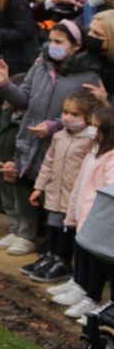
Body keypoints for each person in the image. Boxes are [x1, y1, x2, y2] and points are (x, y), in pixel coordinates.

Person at [0, 20, 101, 256]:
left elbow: (86, 112)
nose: (52, 46)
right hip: (29, 136)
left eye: (59, 42)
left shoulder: (89, 75)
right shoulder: (41, 64)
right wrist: (5, 84)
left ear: (76, 45)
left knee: (51, 193)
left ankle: (43, 241)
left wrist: (55, 125)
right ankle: (22, 232)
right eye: (51, 40)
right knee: (22, 183)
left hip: (63, 143)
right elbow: (23, 99)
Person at [25, 89, 101, 285]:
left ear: (88, 117)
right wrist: (39, 187)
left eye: (75, 114)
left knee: (67, 229)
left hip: (73, 196)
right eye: (65, 112)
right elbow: (48, 163)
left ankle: (64, 262)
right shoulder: (59, 136)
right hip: (54, 192)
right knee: (53, 225)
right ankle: (52, 256)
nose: (67, 117)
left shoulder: (91, 139)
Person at [54, 105, 114, 319]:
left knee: (97, 261)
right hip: (83, 213)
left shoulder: (112, 158)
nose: (91, 130)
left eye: (96, 126)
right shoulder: (94, 151)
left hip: (98, 218)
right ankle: (79, 285)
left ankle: (92, 297)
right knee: (81, 252)